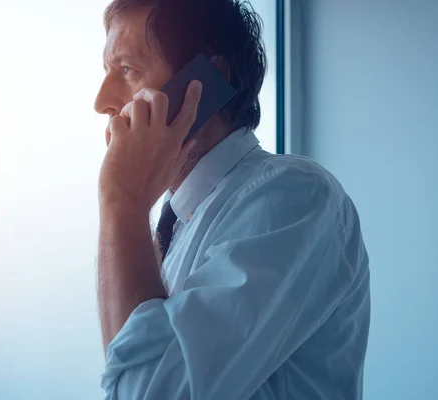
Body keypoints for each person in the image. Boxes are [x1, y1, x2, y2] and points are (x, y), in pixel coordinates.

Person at [94, 0, 371, 398]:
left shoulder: (294, 198)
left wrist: (120, 200)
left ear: (202, 82)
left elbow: (145, 392)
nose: (102, 100)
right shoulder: (177, 222)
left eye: (127, 71)